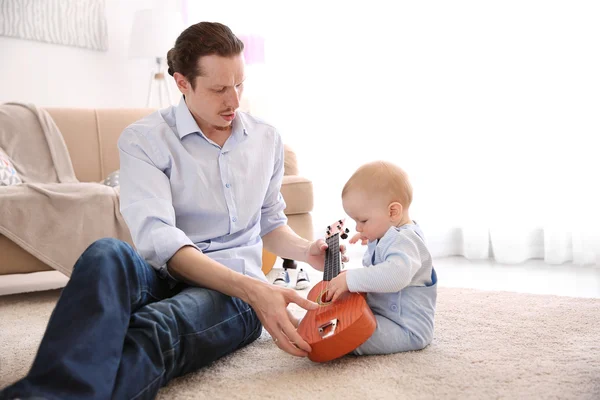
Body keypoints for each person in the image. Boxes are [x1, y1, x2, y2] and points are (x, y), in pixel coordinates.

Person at [0, 21, 346, 400]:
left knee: (158, 325)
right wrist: (259, 290)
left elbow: (270, 222)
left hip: (234, 293)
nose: (234, 101)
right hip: (171, 275)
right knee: (104, 254)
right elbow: (159, 240)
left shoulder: (266, 139)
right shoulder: (144, 139)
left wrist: (304, 251)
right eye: (218, 89)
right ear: (182, 83)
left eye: (239, 84)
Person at [325, 160, 438, 355]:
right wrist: (371, 234)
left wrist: (350, 279)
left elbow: (395, 276)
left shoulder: (406, 240)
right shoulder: (388, 233)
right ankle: (304, 326)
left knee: (350, 337)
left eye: (363, 221)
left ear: (393, 212)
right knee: (344, 317)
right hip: (380, 314)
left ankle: (316, 337)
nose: (358, 227)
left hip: (405, 327)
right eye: (355, 221)